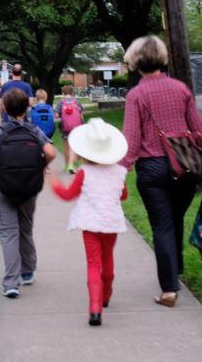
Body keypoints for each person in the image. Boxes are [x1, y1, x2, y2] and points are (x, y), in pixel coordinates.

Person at [121, 35, 202, 308]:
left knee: (163, 225)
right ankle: (175, 270)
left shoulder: (136, 95)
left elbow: (131, 138)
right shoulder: (181, 89)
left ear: (136, 62)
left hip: (152, 170)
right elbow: (197, 126)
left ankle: (169, 289)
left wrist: (121, 170)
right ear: (162, 59)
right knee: (174, 219)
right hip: (185, 165)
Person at [49, 118, 129, 327]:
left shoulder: (85, 172)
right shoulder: (120, 172)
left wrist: (53, 182)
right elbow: (123, 196)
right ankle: (106, 295)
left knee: (93, 264)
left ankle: (95, 309)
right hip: (111, 222)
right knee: (108, 259)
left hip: (89, 224)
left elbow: (68, 195)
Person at [0, 89, 56, 298]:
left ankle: (11, 283)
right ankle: (27, 272)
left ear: (5, 108)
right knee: (25, 228)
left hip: (5, 188)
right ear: (26, 108)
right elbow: (50, 152)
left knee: (8, 233)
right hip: (29, 187)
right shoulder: (33, 130)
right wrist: (39, 166)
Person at [55, 85, 84, 174]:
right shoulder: (77, 102)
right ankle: (78, 164)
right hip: (76, 128)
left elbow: (56, 115)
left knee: (66, 147)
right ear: (72, 93)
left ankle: (68, 165)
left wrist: (62, 116)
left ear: (63, 93)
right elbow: (81, 115)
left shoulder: (60, 103)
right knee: (75, 147)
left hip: (65, 128)